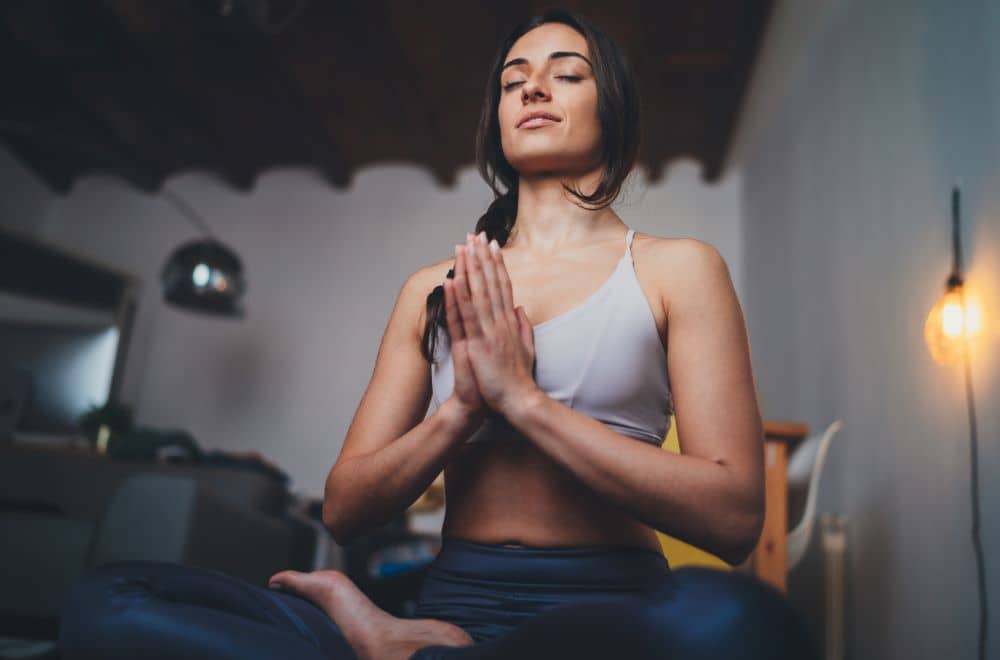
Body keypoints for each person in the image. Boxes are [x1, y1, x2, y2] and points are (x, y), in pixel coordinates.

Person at [58, 8, 817, 660]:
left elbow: (733, 519)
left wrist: (526, 403)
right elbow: (346, 508)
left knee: (746, 625)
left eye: (566, 72)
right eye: (513, 76)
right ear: (497, 116)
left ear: (611, 109)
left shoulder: (677, 270)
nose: (531, 86)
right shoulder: (434, 290)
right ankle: (400, 640)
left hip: (607, 613)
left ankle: (386, 642)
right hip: (451, 606)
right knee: (114, 598)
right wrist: (462, 413)